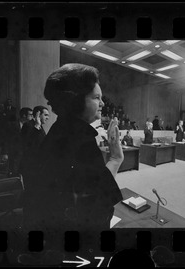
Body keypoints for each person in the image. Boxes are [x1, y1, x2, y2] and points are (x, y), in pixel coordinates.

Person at [22, 63, 124, 232]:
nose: (103, 104)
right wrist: (115, 159)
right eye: (96, 98)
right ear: (75, 101)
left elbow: (89, 186)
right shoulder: (80, 139)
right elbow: (98, 204)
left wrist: (115, 159)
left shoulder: (60, 129)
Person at [1, 107, 33, 176]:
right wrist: (4, 153)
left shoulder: (31, 126)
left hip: (25, 153)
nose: (32, 116)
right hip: (14, 153)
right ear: (24, 115)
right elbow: (6, 139)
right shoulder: (11, 125)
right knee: (13, 171)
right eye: (30, 114)